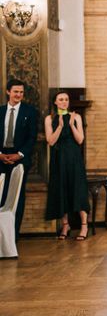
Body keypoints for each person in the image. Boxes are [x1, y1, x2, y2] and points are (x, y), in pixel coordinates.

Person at [44, 91, 91, 240]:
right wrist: (59, 126)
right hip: (58, 159)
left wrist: (71, 125)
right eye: (61, 99)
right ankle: (66, 224)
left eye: (66, 99)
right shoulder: (49, 119)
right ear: (55, 102)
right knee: (61, 189)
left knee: (78, 189)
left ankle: (84, 225)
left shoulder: (76, 117)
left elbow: (80, 140)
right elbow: (51, 141)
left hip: (74, 158)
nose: (64, 102)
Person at [0, 79, 38, 238]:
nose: (19, 95)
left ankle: (13, 236)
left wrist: (19, 155)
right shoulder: (0, 111)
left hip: (20, 159)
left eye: (21, 92)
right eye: (16, 92)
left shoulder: (30, 112)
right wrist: (0, 155)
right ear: (8, 92)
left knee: (17, 197)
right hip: (0, 157)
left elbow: (32, 137)